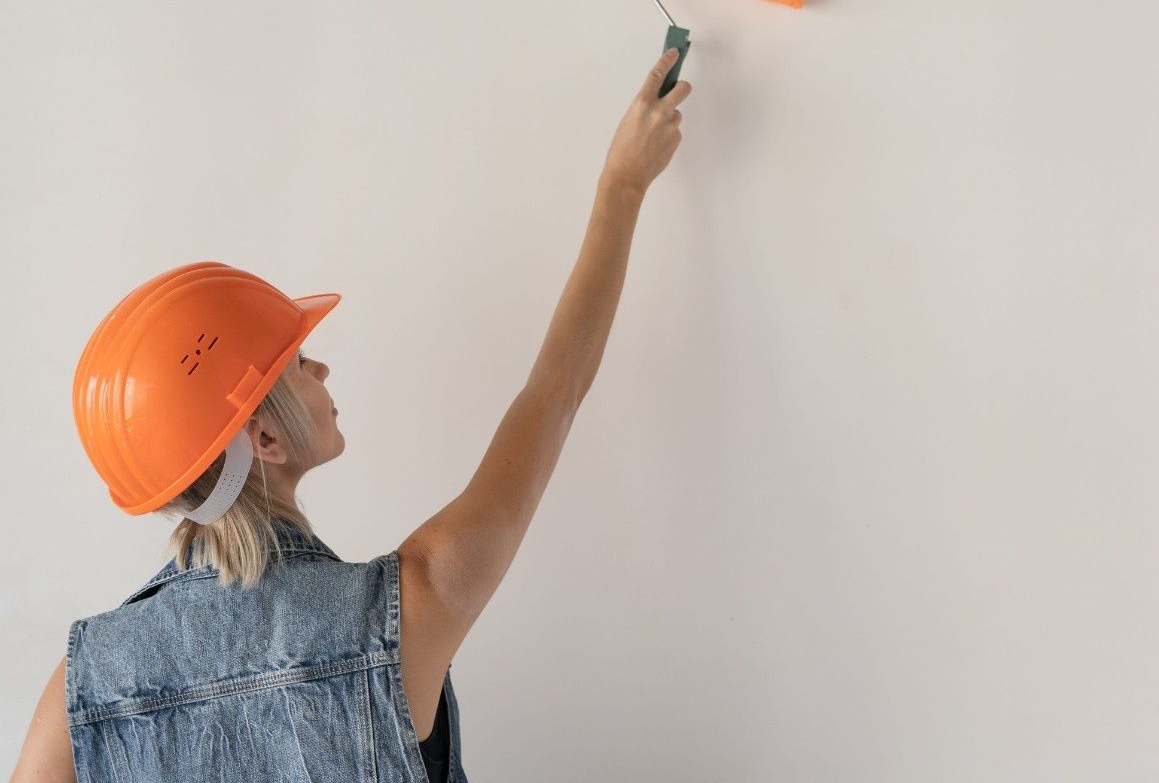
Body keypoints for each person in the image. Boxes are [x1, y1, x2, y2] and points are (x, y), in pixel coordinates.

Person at [10, 48, 692, 781]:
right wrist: (621, 185)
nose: (321, 367)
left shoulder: (82, 689)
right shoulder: (409, 610)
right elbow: (554, 393)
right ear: (263, 436)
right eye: (296, 364)